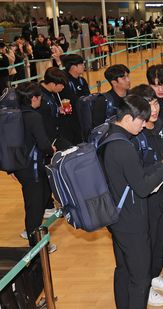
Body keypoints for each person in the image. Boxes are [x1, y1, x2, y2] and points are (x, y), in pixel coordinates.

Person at [101, 94, 163, 309]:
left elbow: (135, 176)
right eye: (141, 121)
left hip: (116, 215)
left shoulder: (108, 135)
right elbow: (143, 187)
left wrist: (161, 163)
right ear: (128, 118)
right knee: (140, 278)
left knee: (123, 270)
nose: (144, 125)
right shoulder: (123, 147)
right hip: (131, 220)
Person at [129, 85, 163, 307]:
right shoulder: (135, 135)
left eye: (156, 103)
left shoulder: (158, 125)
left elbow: (162, 149)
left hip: (161, 192)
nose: (155, 108)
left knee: (160, 236)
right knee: (147, 241)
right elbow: (139, 173)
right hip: (144, 196)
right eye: (149, 105)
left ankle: (155, 274)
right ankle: (145, 283)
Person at [13, 82, 57, 253]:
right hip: (33, 167)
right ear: (33, 98)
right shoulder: (33, 117)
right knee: (35, 204)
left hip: (21, 166)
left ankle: (31, 231)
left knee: (39, 197)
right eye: (39, 97)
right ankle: (36, 244)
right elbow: (43, 143)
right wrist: (51, 149)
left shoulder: (15, 115)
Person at [59, 54, 90, 144]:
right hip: (68, 120)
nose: (84, 66)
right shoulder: (63, 81)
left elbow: (87, 97)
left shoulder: (82, 81)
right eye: (81, 64)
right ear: (73, 67)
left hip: (82, 117)